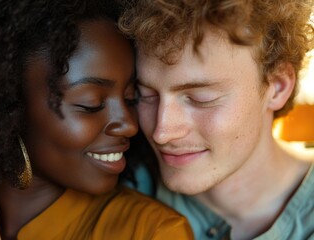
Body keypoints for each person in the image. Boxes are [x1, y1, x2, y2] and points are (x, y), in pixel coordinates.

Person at [0, 0, 194, 239]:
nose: (130, 126)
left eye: (131, 99)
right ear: (6, 105)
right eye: (91, 104)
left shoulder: (152, 232)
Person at [119, 0, 314, 239]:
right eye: (145, 95)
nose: (162, 132)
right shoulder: (120, 191)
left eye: (201, 98)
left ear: (277, 86)